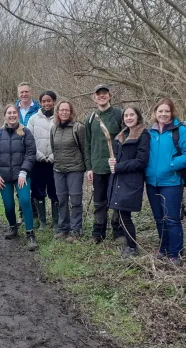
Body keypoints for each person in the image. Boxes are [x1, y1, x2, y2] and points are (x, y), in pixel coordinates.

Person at [145, 98, 186, 267]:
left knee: (172, 219)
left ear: (172, 112)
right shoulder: (150, 132)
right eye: (160, 111)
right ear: (155, 113)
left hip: (172, 182)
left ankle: (176, 254)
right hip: (152, 182)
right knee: (159, 218)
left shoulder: (180, 131)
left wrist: (172, 164)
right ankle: (163, 248)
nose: (163, 114)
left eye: (166, 111)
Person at [0, 104, 38, 251]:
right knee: (9, 205)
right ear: (5, 116)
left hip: (21, 175)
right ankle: (12, 227)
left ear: (18, 115)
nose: (12, 115)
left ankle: (30, 233)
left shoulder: (25, 132)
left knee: (24, 200)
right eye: (9, 113)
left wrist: (24, 171)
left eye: (14, 113)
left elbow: (31, 153)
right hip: (3, 177)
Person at [84, 84, 124, 243]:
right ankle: (97, 234)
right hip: (98, 168)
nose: (102, 96)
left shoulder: (119, 115)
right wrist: (89, 167)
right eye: (98, 94)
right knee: (99, 202)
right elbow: (87, 144)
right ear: (94, 97)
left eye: (104, 93)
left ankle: (119, 232)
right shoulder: (90, 119)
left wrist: (123, 164)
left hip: (116, 168)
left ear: (110, 96)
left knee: (117, 200)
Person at [107, 106, 150, 257]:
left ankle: (132, 247)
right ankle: (128, 244)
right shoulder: (121, 135)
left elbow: (141, 161)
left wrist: (118, 166)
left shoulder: (143, 134)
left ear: (138, 116)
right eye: (126, 115)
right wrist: (112, 162)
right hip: (118, 179)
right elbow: (118, 158)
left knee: (125, 214)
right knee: (120, 213)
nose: (129, 118)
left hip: (131, 181)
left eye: (132, 115)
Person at [50, 100, 85, 242]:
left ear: (71, 112)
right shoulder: (54, 128)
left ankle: (76, 230)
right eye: (61, 110)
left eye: (67, 110)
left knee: (75, 200)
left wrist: (88, 169)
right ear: (57, 112)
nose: (64, 112)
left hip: (75, 169)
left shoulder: (78, 128)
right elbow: (54, 148)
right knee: (62, 199)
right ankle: (63, 229)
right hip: (58, 169)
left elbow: (84, 149)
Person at [27, 90, 59, 231]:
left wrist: (52, 156)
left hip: (55, 162)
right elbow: (29, 140)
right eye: (44, 101)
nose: (47, 103)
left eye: (49, 100)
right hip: (38, 162)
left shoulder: (59, 118)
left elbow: (62, 141)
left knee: (55, 192)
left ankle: (57, 222)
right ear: (40, 103)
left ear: (54, 102)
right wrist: (39, 155)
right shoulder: (33, 119)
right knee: (38, 191)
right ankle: (42, 222)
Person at [15, 82, 40, 223]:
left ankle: (35, 213)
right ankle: (22, 213)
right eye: (21, 92)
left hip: (35, 151)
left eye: (26, 91)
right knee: (20, 183)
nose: (24, 94)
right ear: (18, 94)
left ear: (31, 92)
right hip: (18, 152)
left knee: (35, 184)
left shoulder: (38, 109)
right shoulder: (13, 110)